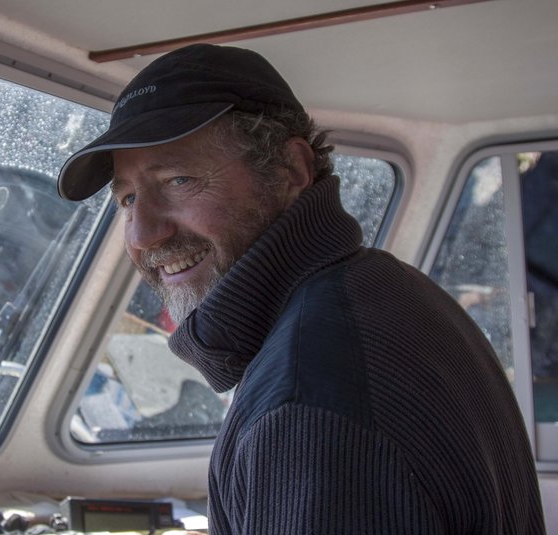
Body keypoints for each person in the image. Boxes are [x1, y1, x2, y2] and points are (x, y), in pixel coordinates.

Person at [58, 44, 545, 534]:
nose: (143, 235)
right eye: (127, 198)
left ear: (290, 170)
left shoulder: (306, 401)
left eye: (179, 179)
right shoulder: (389, 289)